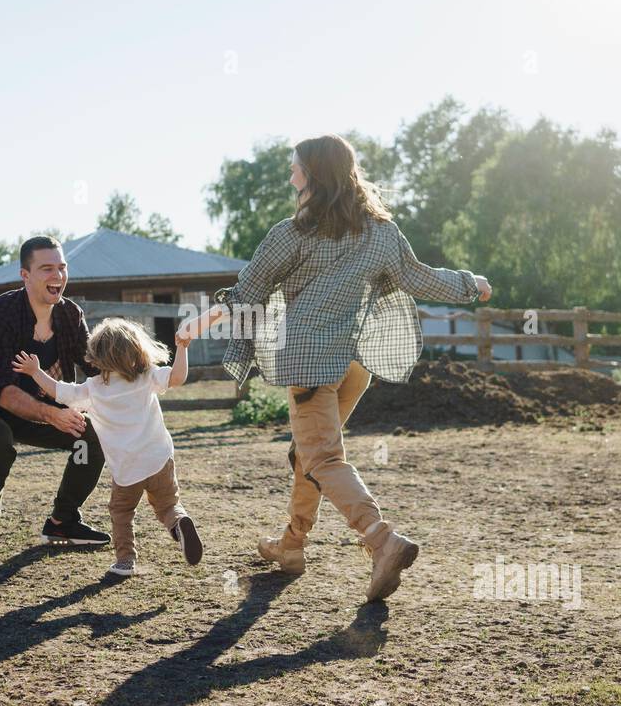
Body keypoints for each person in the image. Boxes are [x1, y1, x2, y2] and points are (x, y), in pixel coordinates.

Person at [178, 133, 492, 602]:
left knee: (323, 458)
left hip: (309, 365)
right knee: (307, 455)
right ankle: (291, 546)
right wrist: (472, 284)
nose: (290, 176)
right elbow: (420, 277)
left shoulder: (292, 233)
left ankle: (382, 540)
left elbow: (248, 292)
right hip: (353, 364)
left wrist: (201, 321)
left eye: (295, 168)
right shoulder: (382, 233)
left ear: (314, 175)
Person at [0, 236, 110, 570]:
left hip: (31, 411)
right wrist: (53, 415)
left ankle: (62, 522)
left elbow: (96, 367)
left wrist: (138, 375)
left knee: (92, 437)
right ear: (25, 275)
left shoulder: (70, 316)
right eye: (47, 268)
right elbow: (3, 391)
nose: (57, 276)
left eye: (61, 268)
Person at [14, 317, 202, 577]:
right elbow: (178, 377)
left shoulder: (94, 389)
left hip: (127, 469)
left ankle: (125, 560)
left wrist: (36, 372)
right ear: (138, 349)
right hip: (159, 459)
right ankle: (179, 524)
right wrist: (183, 348)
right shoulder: (147, 377)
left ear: (96, 356)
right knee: (168, 505)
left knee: (122, 511)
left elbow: (60, 392)